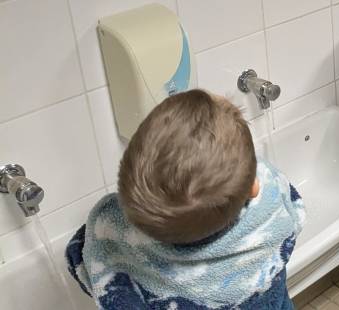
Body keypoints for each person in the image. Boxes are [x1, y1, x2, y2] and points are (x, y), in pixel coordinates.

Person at [66, 89, 305, 309]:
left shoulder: (114, 230)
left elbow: (81, 261)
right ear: (253, 188)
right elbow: (296, 212)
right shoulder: (269, 203)